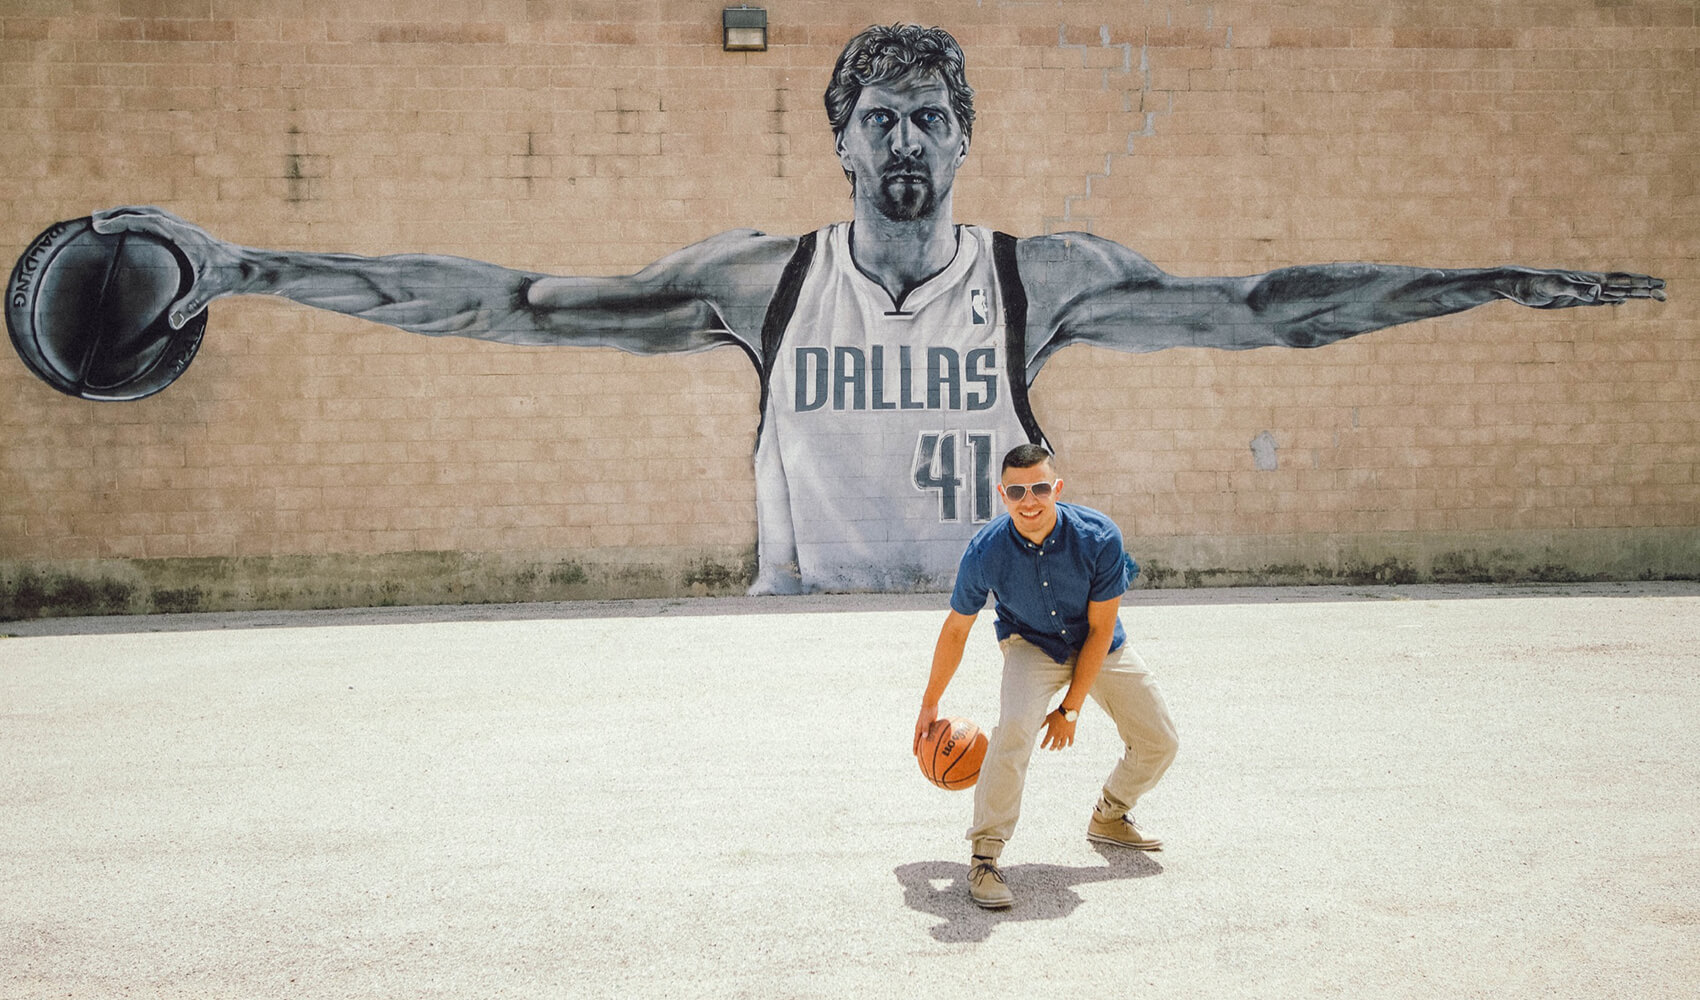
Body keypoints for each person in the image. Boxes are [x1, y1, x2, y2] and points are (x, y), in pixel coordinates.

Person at [86, 25, 1666, 596]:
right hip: (795, 647)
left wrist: (1481, 281)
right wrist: (253, 268)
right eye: (883, 116)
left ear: (966, 141)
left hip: (988, 643)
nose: (908, 140)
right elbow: (512, 306)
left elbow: (1266, 310)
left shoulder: (1040, 281)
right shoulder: (755, 282)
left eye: (934, 117)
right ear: (838, 137)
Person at [913, 443, 1177, 909]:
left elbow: (1098, 632)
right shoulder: (986, 551)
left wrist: (1070, 709)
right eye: (1017, 491)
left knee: (1160, 740)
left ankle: (1110, 815)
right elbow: (956, 630)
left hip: (1097, 644)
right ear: (1002, 494)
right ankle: (985, 856)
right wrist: (930, 702)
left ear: (1057, 488)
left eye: (1039, 487)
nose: (1029, 500)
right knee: (1014, 728)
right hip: (1031, 642)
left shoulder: (1099, 537)